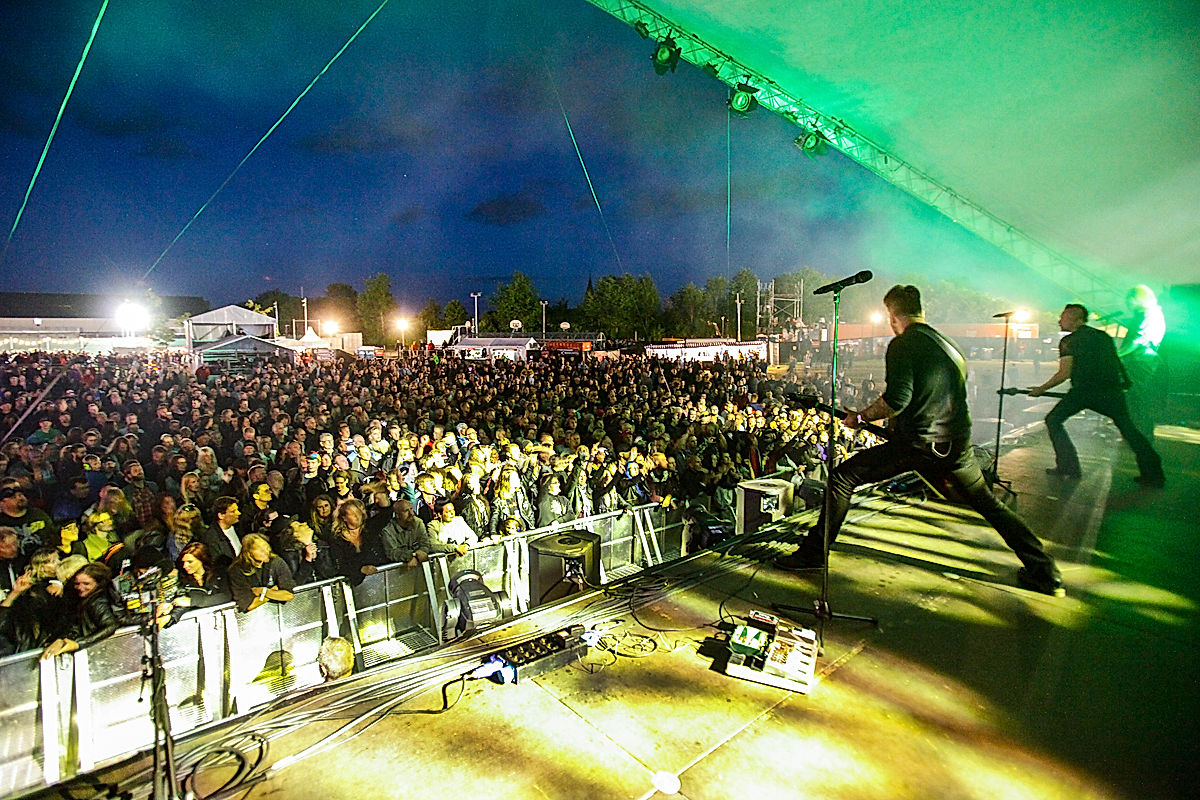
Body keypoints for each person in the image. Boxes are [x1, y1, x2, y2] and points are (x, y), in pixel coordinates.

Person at [775, 285, 1064, 596]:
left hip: (921, 444)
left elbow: (898, 398)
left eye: (889, 316)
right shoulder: (947, 344)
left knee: (843, 477)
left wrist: (859, 417)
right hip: (956, 441)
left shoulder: (903, 344)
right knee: (988, 504)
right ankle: (1045, 571)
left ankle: (813, 554)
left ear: (893, 315)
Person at [1029, 303, 1165, 487]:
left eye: (1063, 317)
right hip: (1111, 392)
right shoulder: (1102, 336)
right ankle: (1154, 474)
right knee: (1129, 430)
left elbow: (1064, 373)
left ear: (1076, 319)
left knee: (1053, 420)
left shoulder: (1069, 341)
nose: (1059, 320)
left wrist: (1041, 389)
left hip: (1083, 391)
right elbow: (1116, 362)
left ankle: (1069, 466)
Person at [41, 562, 122, 660]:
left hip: (97, 653)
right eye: (77, 584)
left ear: (98, 583)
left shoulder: (98, 602)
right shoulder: (82, 598)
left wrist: (78, 644)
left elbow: (111, 625)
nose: (80, 588)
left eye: (86, 584)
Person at [227, 533, 296, 613]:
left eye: (266, 547)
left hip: (277, 613)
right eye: (260, 549)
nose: (266, 551)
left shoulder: (276, 562)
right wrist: (273, 593)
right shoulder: (236, 570)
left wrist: (262, 591)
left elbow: (288, 595)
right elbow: (249, 605)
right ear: (249, 553)